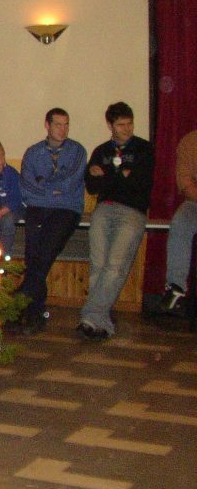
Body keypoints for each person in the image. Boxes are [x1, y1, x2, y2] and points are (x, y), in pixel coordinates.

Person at [77, 102, 154, 340]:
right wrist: (121, 175)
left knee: (115, 266)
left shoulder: (144, 149)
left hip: (132, 211)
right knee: (98, 264)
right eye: (121, 125)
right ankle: (99, 322)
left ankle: (90, 318)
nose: (127, 129)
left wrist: (108, 174)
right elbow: (92, 187)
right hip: (104, 208)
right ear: (110, 125)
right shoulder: (101, 151)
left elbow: (140, 184)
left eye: (130, 123)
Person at [14, 108, 87, 333]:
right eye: (58, 125)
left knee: (44, 254)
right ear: (47, 125)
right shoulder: (33, 152)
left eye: (66, 125)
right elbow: (26, 185)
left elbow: (70, 184)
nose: (63, 129)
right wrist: (50, 191)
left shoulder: (77, 151)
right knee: (33, 256)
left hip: (66, 209)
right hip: (37, 207)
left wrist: (43, 186)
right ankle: (33, 312)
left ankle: (21, 302)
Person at [153, 129, 197, 316]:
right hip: (195, 202)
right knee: (181, 221)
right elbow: (186, 184)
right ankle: (176, 287)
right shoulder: (190, 142)